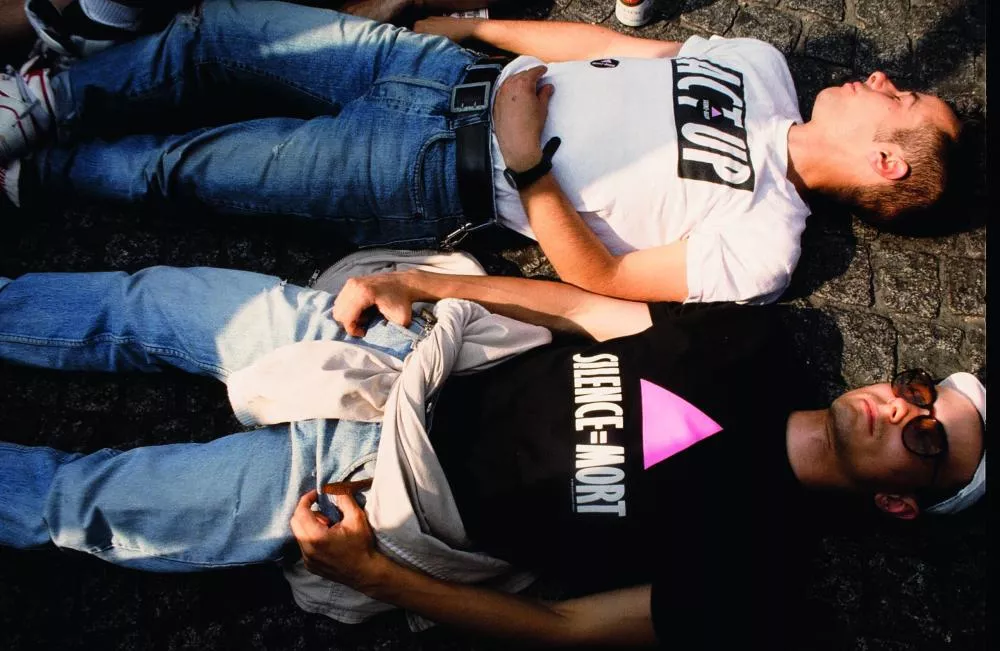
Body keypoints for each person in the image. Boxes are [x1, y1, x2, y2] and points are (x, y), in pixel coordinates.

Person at [0, 260, 986, 647]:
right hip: (397, 360)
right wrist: (416, 280)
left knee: (83, 502)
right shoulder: (757, 344)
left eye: (926, 436)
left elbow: (558, 628)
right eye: (917, 387)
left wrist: (373, 573)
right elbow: (583, 309)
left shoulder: (758, 573)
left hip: (375, 501)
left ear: (905, 502)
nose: (899, 408)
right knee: (143, 306)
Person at [0, 1, 962, 305]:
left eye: (903, 95)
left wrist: (530, 165)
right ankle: (43, 100)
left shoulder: (767, 244)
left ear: (889, 164)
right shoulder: (761, 62)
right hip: (431, 66)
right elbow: (600, 44)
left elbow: (610, 278)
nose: (883, 80)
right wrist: (462, 22)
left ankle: (34, 172)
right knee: (220, 30)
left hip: (423, 169)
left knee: (191, 168)